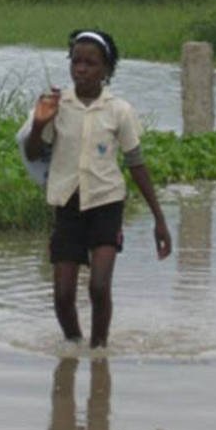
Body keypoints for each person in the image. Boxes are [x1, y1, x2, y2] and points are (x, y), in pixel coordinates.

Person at [24, 29, 172, 348]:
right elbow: (35, 153)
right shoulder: (57, 105)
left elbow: (136, 163)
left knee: (98, 286)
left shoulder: (119, 110)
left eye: (90, 63)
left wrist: (159, 219)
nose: (81, 69)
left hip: (106, 205)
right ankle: (75, 345)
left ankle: (100, 350)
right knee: (63, 294)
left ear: (106, 69)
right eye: (76, 61)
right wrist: (38, 124)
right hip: (67, 206)